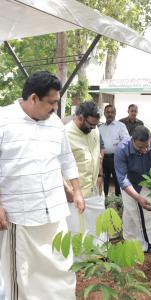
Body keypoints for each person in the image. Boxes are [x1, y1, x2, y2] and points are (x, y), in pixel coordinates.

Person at [0, 71, 85, 300]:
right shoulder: (3, 120)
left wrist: (76, 190)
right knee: (23, 276)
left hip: (55, 212)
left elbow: (66, 159)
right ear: (34, 98)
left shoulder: (55, 123)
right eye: (51, 102)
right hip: (20, 216)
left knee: (60, 265)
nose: (55, 108)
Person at [114, 126, 151, 252]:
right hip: (130, 184)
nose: (144, 150)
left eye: (146, 147)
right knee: (131, 211)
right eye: (139, 148)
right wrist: (138, 198)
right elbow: (122, 179)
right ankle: (131, 241)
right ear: (132, 141)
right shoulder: (121, 149)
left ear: (150, 140)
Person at [65, 101, 105, 243]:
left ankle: (96, 258)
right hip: (75, 195)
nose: (94, 128)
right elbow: (58, 167)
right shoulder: (65, 134)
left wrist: (100, 175)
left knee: (97, 230)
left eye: (96, 125)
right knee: (78, 233)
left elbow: (97, 155)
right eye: (91, 124)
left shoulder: (94, 130)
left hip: (94, 190)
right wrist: (69, 191)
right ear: (80, 118)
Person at [99, 105, 130, 197]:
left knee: (118, 181)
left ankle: (119, 201)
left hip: (116, 158)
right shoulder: (100, 128)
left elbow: (126, 140)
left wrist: (118, 145)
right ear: (104, 114)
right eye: (107, 112)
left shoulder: (121, 126)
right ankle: (105, 201)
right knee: (104, 181)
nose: (110, 114)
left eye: (112, 112)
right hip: (103, 159)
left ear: (115, 113)